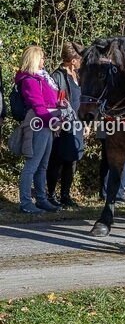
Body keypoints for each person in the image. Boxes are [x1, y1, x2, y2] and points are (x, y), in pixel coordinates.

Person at [13, 46, 63, 213]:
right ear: (34, 59)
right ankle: (26, 203)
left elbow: (49, 101)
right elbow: (39, 106)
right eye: (41, 58)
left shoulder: (41, 78)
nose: (44, 61)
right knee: (32, 165)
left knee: (43, 165)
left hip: (46, 124)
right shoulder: (29, 80)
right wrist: (54, 121)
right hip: (39, 124)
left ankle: (41, 199)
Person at [47, 43, 85, 208]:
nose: (82, 61)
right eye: (80, 58)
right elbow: (52, 101)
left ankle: (65, 195)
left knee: (72, 160)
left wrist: (86, 123)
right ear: (73, 60)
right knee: (56, 160)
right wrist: (57, 123)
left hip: (77, 124)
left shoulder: (79, 75)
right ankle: (50, 194)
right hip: (62, 124)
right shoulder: (57, 76)